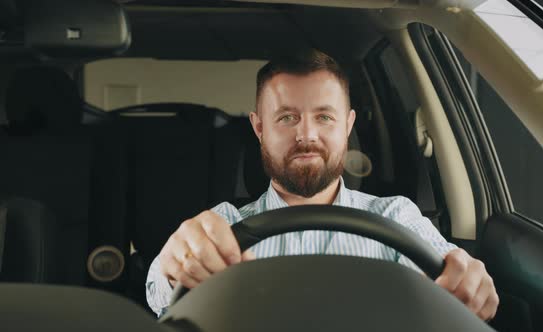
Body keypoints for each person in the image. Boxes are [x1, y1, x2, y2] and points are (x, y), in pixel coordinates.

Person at [146, 49, 499, 321]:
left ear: (347, 126)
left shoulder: (395, 217)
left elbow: (448, 266)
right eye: (287, 118)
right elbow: (161, 296)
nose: (306, 135)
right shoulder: (223, 227)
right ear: (259, 128)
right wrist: (171, 264)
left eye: (324, 117)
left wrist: (467, 277)